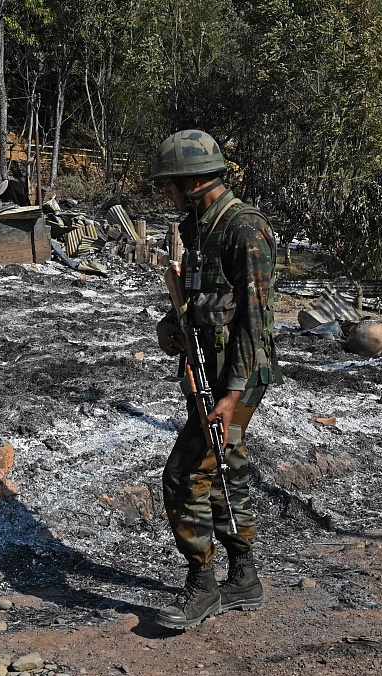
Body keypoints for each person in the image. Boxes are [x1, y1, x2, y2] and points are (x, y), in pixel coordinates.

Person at [150, 130, 280, 630]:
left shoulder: (244, 229)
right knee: (224, 470)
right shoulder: (199, 225)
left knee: (184, 476)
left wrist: (230, 397)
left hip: (237, 377)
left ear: (192, 181)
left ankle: (202, 586)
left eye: (170, 184)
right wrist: (171, 329)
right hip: (208, 368)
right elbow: (197, 302)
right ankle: (243, 577)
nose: (166, 194)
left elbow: (256, 321)